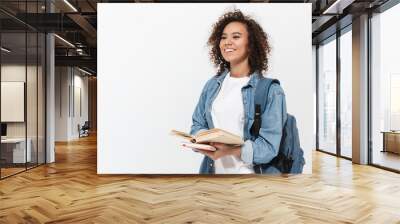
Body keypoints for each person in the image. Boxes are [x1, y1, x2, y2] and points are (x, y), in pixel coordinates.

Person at [188, 9, 287, 174]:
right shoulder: (212, 86)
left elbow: (269, 147)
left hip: (250, 181)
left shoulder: (271, 91)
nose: (227, 42)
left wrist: (232, 150)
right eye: (223, 37)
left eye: (236, 37)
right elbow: (197, 124)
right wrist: (201, 140)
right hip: (211, 174)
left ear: (251, 44)